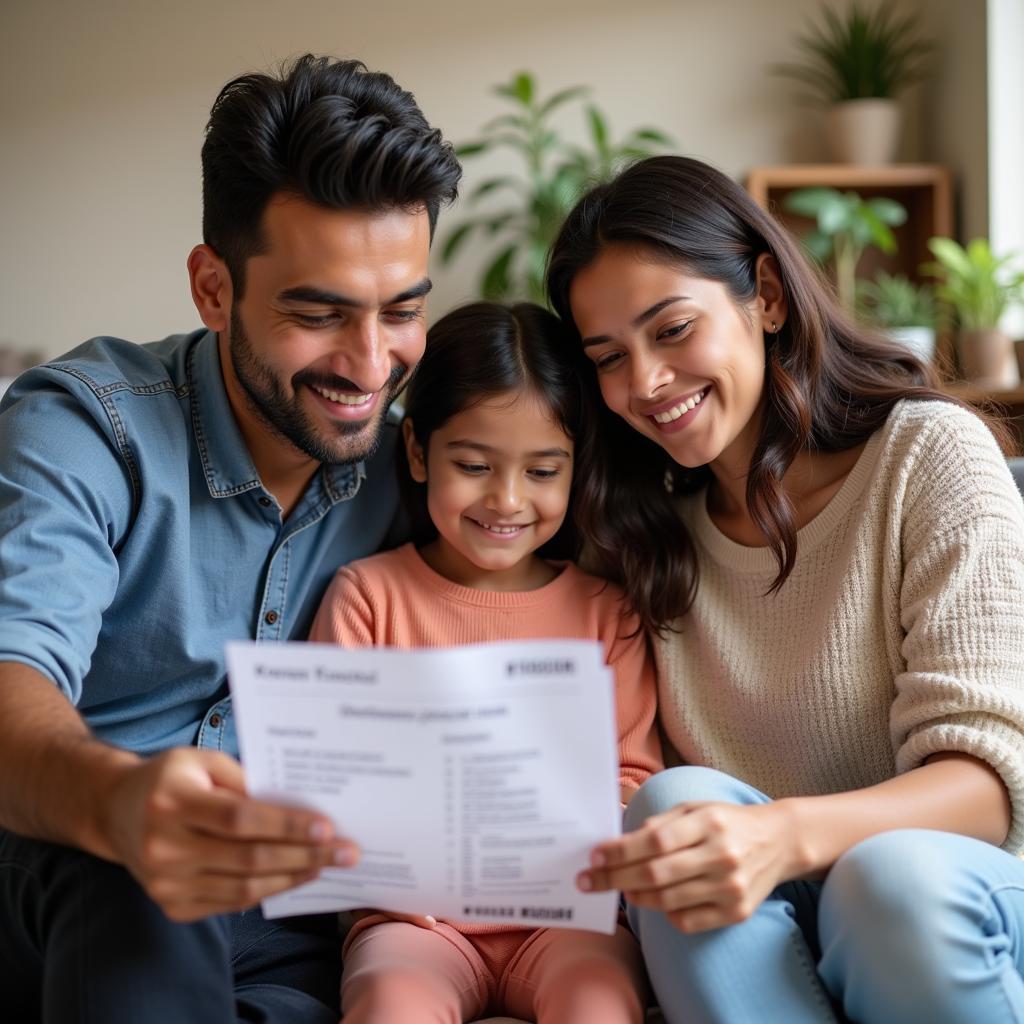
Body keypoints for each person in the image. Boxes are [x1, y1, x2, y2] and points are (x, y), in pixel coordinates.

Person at [0, 55, 461, 1023]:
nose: (372, 363)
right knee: (138, 879)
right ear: (213, 289)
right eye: (319, 313)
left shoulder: (427, 456)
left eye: (403, 309)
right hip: (79, 870)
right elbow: (12, 682)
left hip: (294, 923)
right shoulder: (89, 428)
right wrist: (119, 800)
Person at [545, 155, 1024, 1024]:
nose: (645, 383)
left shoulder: (928, 457)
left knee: (890, 875)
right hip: (768, 935)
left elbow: (988, 790)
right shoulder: (643, 533)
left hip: (948, 890)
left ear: (765, 295)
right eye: (608, 357)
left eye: (673, 329)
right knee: (669, 810)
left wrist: (782, 836)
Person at [308, 301, 663, 1023]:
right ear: (417, 453)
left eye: (542, 470)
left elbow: (633, 778)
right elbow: (328, 775)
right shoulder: (368, 598)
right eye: (473, 466)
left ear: (575, 470)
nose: (507, 499)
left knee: (600, 1004)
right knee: (388, 1003)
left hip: (569, 918)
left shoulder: (607, 613)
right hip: (415, 921)